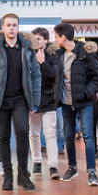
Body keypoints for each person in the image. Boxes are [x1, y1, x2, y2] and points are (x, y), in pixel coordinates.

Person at [0, 13, 40, 191]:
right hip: (0, 100)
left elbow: (36, 75)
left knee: (23, 132)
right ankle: (8, 176)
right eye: (8, 25)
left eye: (14, 25)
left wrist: (35, 101)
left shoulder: (27, 49)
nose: (11, 28)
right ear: (3, 27)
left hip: (21, 99)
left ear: (18, 28)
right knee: (3, 137)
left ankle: (23, 175)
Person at [53, 22, 98, 186]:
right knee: (68, 135)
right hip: (66, 103)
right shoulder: (59, 55)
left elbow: (97, 77)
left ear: (63, 37)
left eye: (56, 37)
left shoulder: (84, 53)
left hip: (84, 102)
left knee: (88, 135)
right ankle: (72, 167)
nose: (55, 40)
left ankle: (92, 172)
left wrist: (86, 93)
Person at [27, 27, 59, 179]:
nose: (36, 42)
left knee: (50, 133)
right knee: (34, 133)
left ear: (46, 40)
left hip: (49, 100)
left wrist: (43, 63)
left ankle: (53, 166)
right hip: (33, 100)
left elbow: (54, 75)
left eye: (39, 39)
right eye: (34, 39)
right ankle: (36, 161)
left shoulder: (54, 55)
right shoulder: (28, 55)